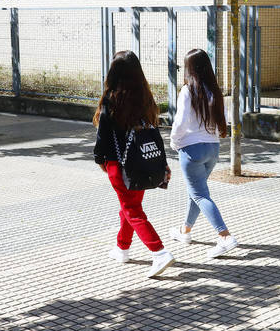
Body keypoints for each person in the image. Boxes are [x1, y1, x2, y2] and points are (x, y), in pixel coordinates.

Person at [93, 50, 175, 278]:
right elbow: (154, 135)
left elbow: (103, 137)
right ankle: (122, 248)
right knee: (128, 206)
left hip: (118, 165)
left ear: (114, 71)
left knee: (131, 209)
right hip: (143, 163)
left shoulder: (112, 99)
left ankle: (159, 252)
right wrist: (162, 162)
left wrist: (100, 160)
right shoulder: (146, 97)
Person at [168, 49, 238, 258]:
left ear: (189, 68)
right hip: (213, 149)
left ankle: (225, 236)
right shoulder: (215, 91)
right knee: (198, 192)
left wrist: (174, 142)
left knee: (199, 194)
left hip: (192, 149)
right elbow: (223, 120)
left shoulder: (188, 91)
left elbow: (180, 122)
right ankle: (185, 230)